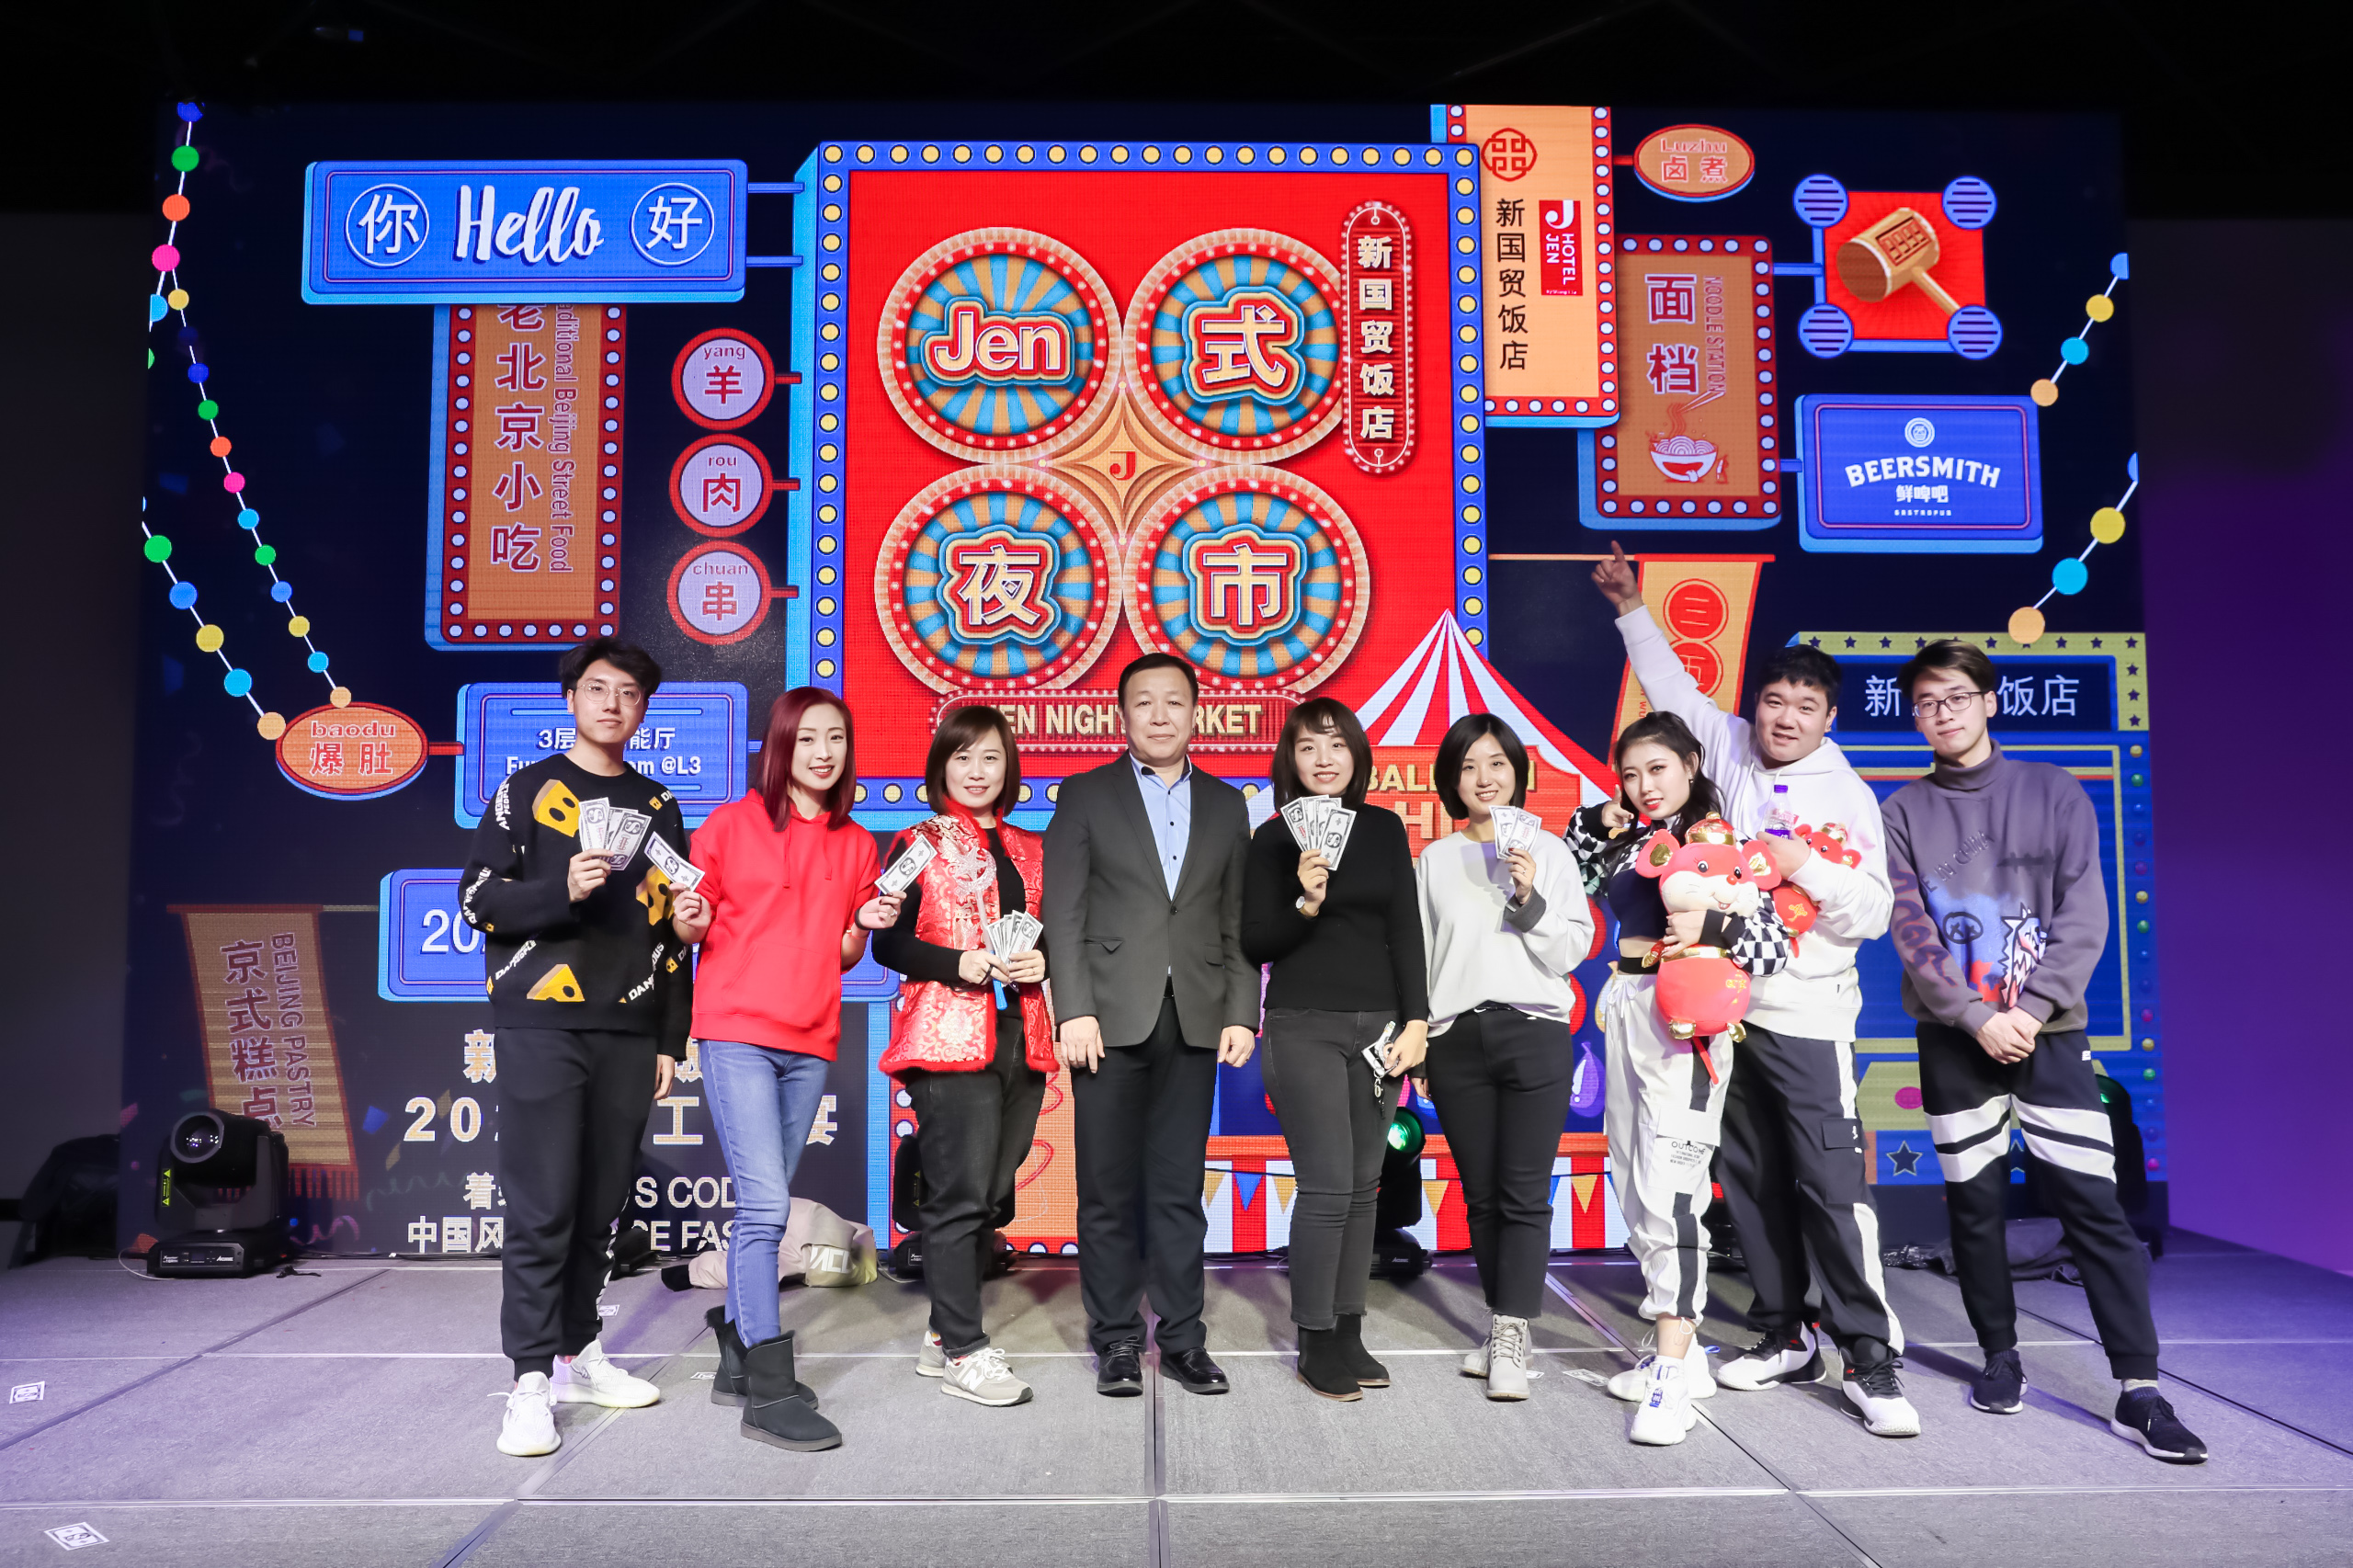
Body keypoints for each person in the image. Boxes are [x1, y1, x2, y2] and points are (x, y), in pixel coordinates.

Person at [1592, 543, 1915, 1436]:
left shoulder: (1848, 794)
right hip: (1724, 1013)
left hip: (1809, 1012)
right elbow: (1671, 692)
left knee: (1831, 1184)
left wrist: (1805, 861)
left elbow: (1874, 911)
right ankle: (1784, 1331)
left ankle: (1871, 1358)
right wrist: (1629, 605)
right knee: (1748, 1179)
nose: (1785, 717)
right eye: (1774, 700)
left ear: (1829, 716)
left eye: (1805, 706)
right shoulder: (1730, 749)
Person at [1884, 641, 2206, 1463]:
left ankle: (2139, 1389)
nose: (1943, 713)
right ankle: (2000, 1358)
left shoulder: (2054, 791)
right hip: (1954, 1039)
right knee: (1974, 1207)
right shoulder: (1903, 811)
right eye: (1927, 702)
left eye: (1957, 697)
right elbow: (1911, 931)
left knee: (2094, 1207)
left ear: (1989, 702)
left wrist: (2025, 1012)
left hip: (2049, 1036)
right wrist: (1973, 1017)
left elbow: (2085, 915)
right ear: (1914, 716)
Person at [460, 637, 692, 1460]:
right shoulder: (524, 791)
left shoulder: (658, 805)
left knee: (600, 1207)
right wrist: (560, 889)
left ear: (643, 709)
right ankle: (529, 1381)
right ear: (571, 699)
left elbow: (671, 935)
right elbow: (478, 900)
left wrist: (670, 1036)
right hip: (541, 1023)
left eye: (628, 693)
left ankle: (578, 1353)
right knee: (544, 1206)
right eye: (598, 689)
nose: (612, 704)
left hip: (631, 1029)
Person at [670, 688, 899, 1452]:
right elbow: (691, 921)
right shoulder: (730, 825)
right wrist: (686, 919)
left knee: (761, 1213)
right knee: (767, 1208)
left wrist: (862, 924)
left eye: (836, 738)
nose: (823, 753)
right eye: (807, 740)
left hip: (811, 1040)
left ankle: (737, 1354)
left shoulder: (856, 844)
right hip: (736, 1032)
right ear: (780, 747)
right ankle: (769, 1389)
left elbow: (844, 952)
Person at [1563, 713, 1792, 1446]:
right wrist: (1598, 819)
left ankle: (1670, 1373)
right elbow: (1576, 866)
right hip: (1628, 1005)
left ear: (1691, 764)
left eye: (1657, 769)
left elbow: (1775, 946)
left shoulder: (1721, 844)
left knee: (1672, 1191)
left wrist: (1712, 931)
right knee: (1633, 1182)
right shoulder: (1638, 839)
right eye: (1630, 774)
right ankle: (1686, 1359)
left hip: (1686, 1022)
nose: (1644, 785)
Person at [1042, 653, 1259, 1398]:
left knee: (1177, 1190)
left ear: (1197, 713)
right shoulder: (1084, 794)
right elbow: (1063, 910)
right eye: (1144, 702)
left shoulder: (1228, 805)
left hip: (1195, 1017)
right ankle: (1115, 1340)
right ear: (1122, 715)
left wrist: (1242, 1011)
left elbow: (1235, 921)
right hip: (1105, 1018)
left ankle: (1185, 1338)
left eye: (1174, 702)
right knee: (1107, 1190)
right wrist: (1073, 1007)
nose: (1160, 715)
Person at [1240, 699, 1428, 1401]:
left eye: (1337, 745)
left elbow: (1404, 929)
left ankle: (1349, 1328)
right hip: (1303, 1026)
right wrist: (1307, 901)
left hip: (1380, 1030)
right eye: (1308, 747)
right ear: (1289, 760)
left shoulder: (1382, 828)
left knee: (1362, 1187)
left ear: (1357, 755)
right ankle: (1314, 1337)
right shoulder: (1273, 839)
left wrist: (1417, 1022)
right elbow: (1257, 941)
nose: (1324, 759)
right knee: (1325, 1185)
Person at [872, 707, 1055, 1410]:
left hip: (1020, 1035)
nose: (977, 772)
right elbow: (888, 942)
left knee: (990, 1195)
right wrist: (959, 963)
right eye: (963, 758)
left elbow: (1047, 935)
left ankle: (940, 1333)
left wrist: (1040, 963)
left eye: (990, 758)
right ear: (940, 767)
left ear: (1009, 768)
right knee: (958, 1195)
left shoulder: (1032, 848)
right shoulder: (917, 844)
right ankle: (963, 1350)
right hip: (947, 1039)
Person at [1415, 714, 1593, 1401]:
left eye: (1496, 763)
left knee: (1523, 1192)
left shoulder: (1550, 852)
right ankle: (1501, 1324)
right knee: (1481, 1195)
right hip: (1456, 1039)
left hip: (1534, 1031)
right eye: (1468, 766)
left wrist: (1528, 897)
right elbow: (1422, 957)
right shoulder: (1434, 860)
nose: (1484, 778)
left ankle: (1514, 1332)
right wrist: (1421, 1041)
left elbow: (1571, 950)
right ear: (1451, 781)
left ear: (1518, 772)